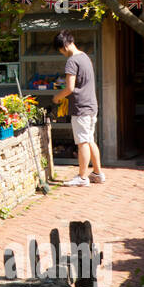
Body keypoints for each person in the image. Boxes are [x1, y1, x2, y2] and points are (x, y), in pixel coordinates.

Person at [52, 31, 104, 185]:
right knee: (89, 140)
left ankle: (82, 177)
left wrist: (57, 97)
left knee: (82, 142)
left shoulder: (72, 61)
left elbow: (69, 88)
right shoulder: (85, 57)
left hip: (81, 107)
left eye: (60, 50)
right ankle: (97, 173)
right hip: (91, 105)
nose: (61, 53)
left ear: (63, 46)